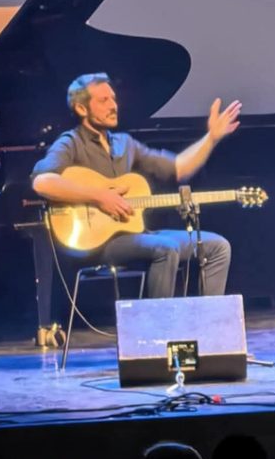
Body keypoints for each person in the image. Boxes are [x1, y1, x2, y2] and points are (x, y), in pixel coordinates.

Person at [31, 73, 240, 298]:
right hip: (97, 244)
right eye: (104, 100)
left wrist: (211, 138)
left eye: (113, 99)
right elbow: (43, 182)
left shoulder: (125, 143)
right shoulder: (70, 143)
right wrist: (99, 196)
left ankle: (208, 324)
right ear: (82, 109)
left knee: (218, 247)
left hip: (138, 235)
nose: (113, 105)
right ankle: (157, 331)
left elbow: (180, 167)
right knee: (165, 248)